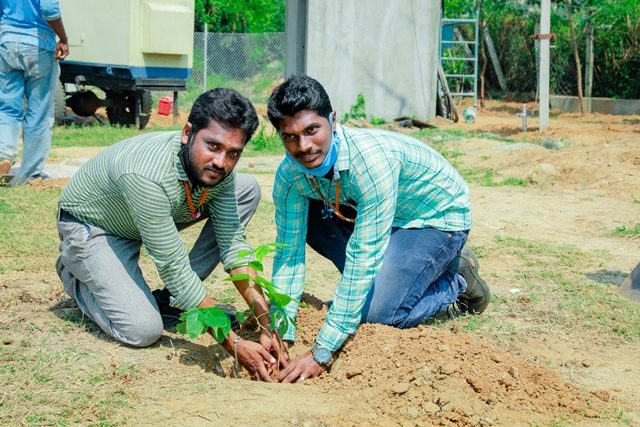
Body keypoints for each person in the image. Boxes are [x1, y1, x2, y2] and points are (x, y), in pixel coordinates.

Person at [267, 74, 490, 383]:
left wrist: (323, 351)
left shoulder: (370, 164)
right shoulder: (290, 175)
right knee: (310, 220)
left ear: (333, 119)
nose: (303, 146)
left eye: (312, 130)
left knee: (378, 314)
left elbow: (363, 257)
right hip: (380, 216)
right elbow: (288, 254)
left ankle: (455, 279)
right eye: (290, 137)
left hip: (433, 217)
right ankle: (394, 281)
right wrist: (279, 328)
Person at [56, 89, 287, 381]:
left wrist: (266, 322)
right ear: (187, 132)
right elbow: (173, 267)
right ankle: (76, 270)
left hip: (147, 217)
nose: (221, 161)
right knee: (142, 329)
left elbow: (233, 245)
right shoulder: (146, 175)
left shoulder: (219, 170)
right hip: (96, 227)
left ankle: (168, 302)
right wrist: (234, 343)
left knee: (246, 188)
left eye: (233, 153)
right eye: (212, 146)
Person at [0, 0, 69, 185]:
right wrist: (63, 38)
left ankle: (3, 156)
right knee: (39, 112)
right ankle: (31, 175)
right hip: (39, 46)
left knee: (7, 108)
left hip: (6, 43)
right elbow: (49, 8)